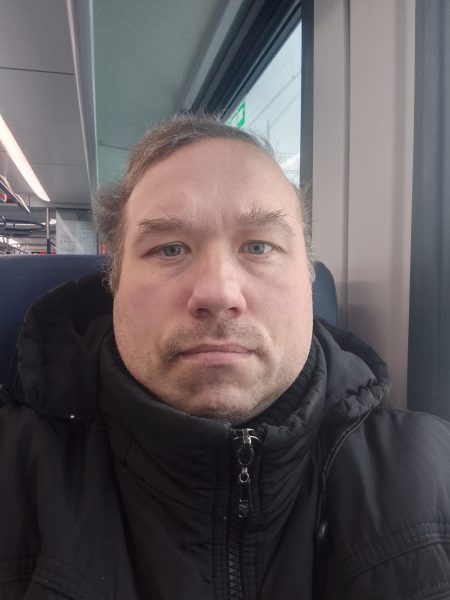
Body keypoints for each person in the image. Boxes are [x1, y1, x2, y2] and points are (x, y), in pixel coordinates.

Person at [1, 114, 450, 600]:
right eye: (170, 249)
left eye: (259, 246)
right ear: (115, 283)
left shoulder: (432, 471)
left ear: (307, 279)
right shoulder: (14, 471)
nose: (218, 292)